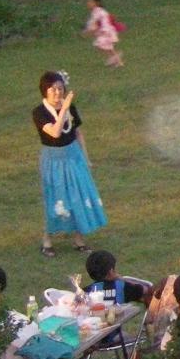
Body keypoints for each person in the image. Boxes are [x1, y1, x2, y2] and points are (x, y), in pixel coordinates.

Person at [33, 70, 107, 258]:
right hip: (54, 160)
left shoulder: (69, 107)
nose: (58, 93)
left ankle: (79, 239)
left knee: (79, 196)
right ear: (45, 91)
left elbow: (78, 133)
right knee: (56, 199)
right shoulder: (39, 112)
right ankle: (47, 240)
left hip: (73, 156)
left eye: (60, 88)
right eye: (53, 89)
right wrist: (63, 110)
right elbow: (55, 133)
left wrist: (86, 157)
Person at [83, 249, 152, 308]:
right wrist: (121, 278)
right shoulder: (123, 286)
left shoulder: (86, 292)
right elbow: (146, 290)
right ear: (111, 271)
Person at [83, 0, 123, 69]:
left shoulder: (98, 11)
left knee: (100, 45)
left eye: (90, 1)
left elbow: (93, 22)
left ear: (96, 3)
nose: (88, 3)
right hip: (106, 31)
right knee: (108, 47)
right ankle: (118, 61)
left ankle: (115, 58)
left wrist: (87, 30)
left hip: (105, 31)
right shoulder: (97, 11)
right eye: (88, 1)